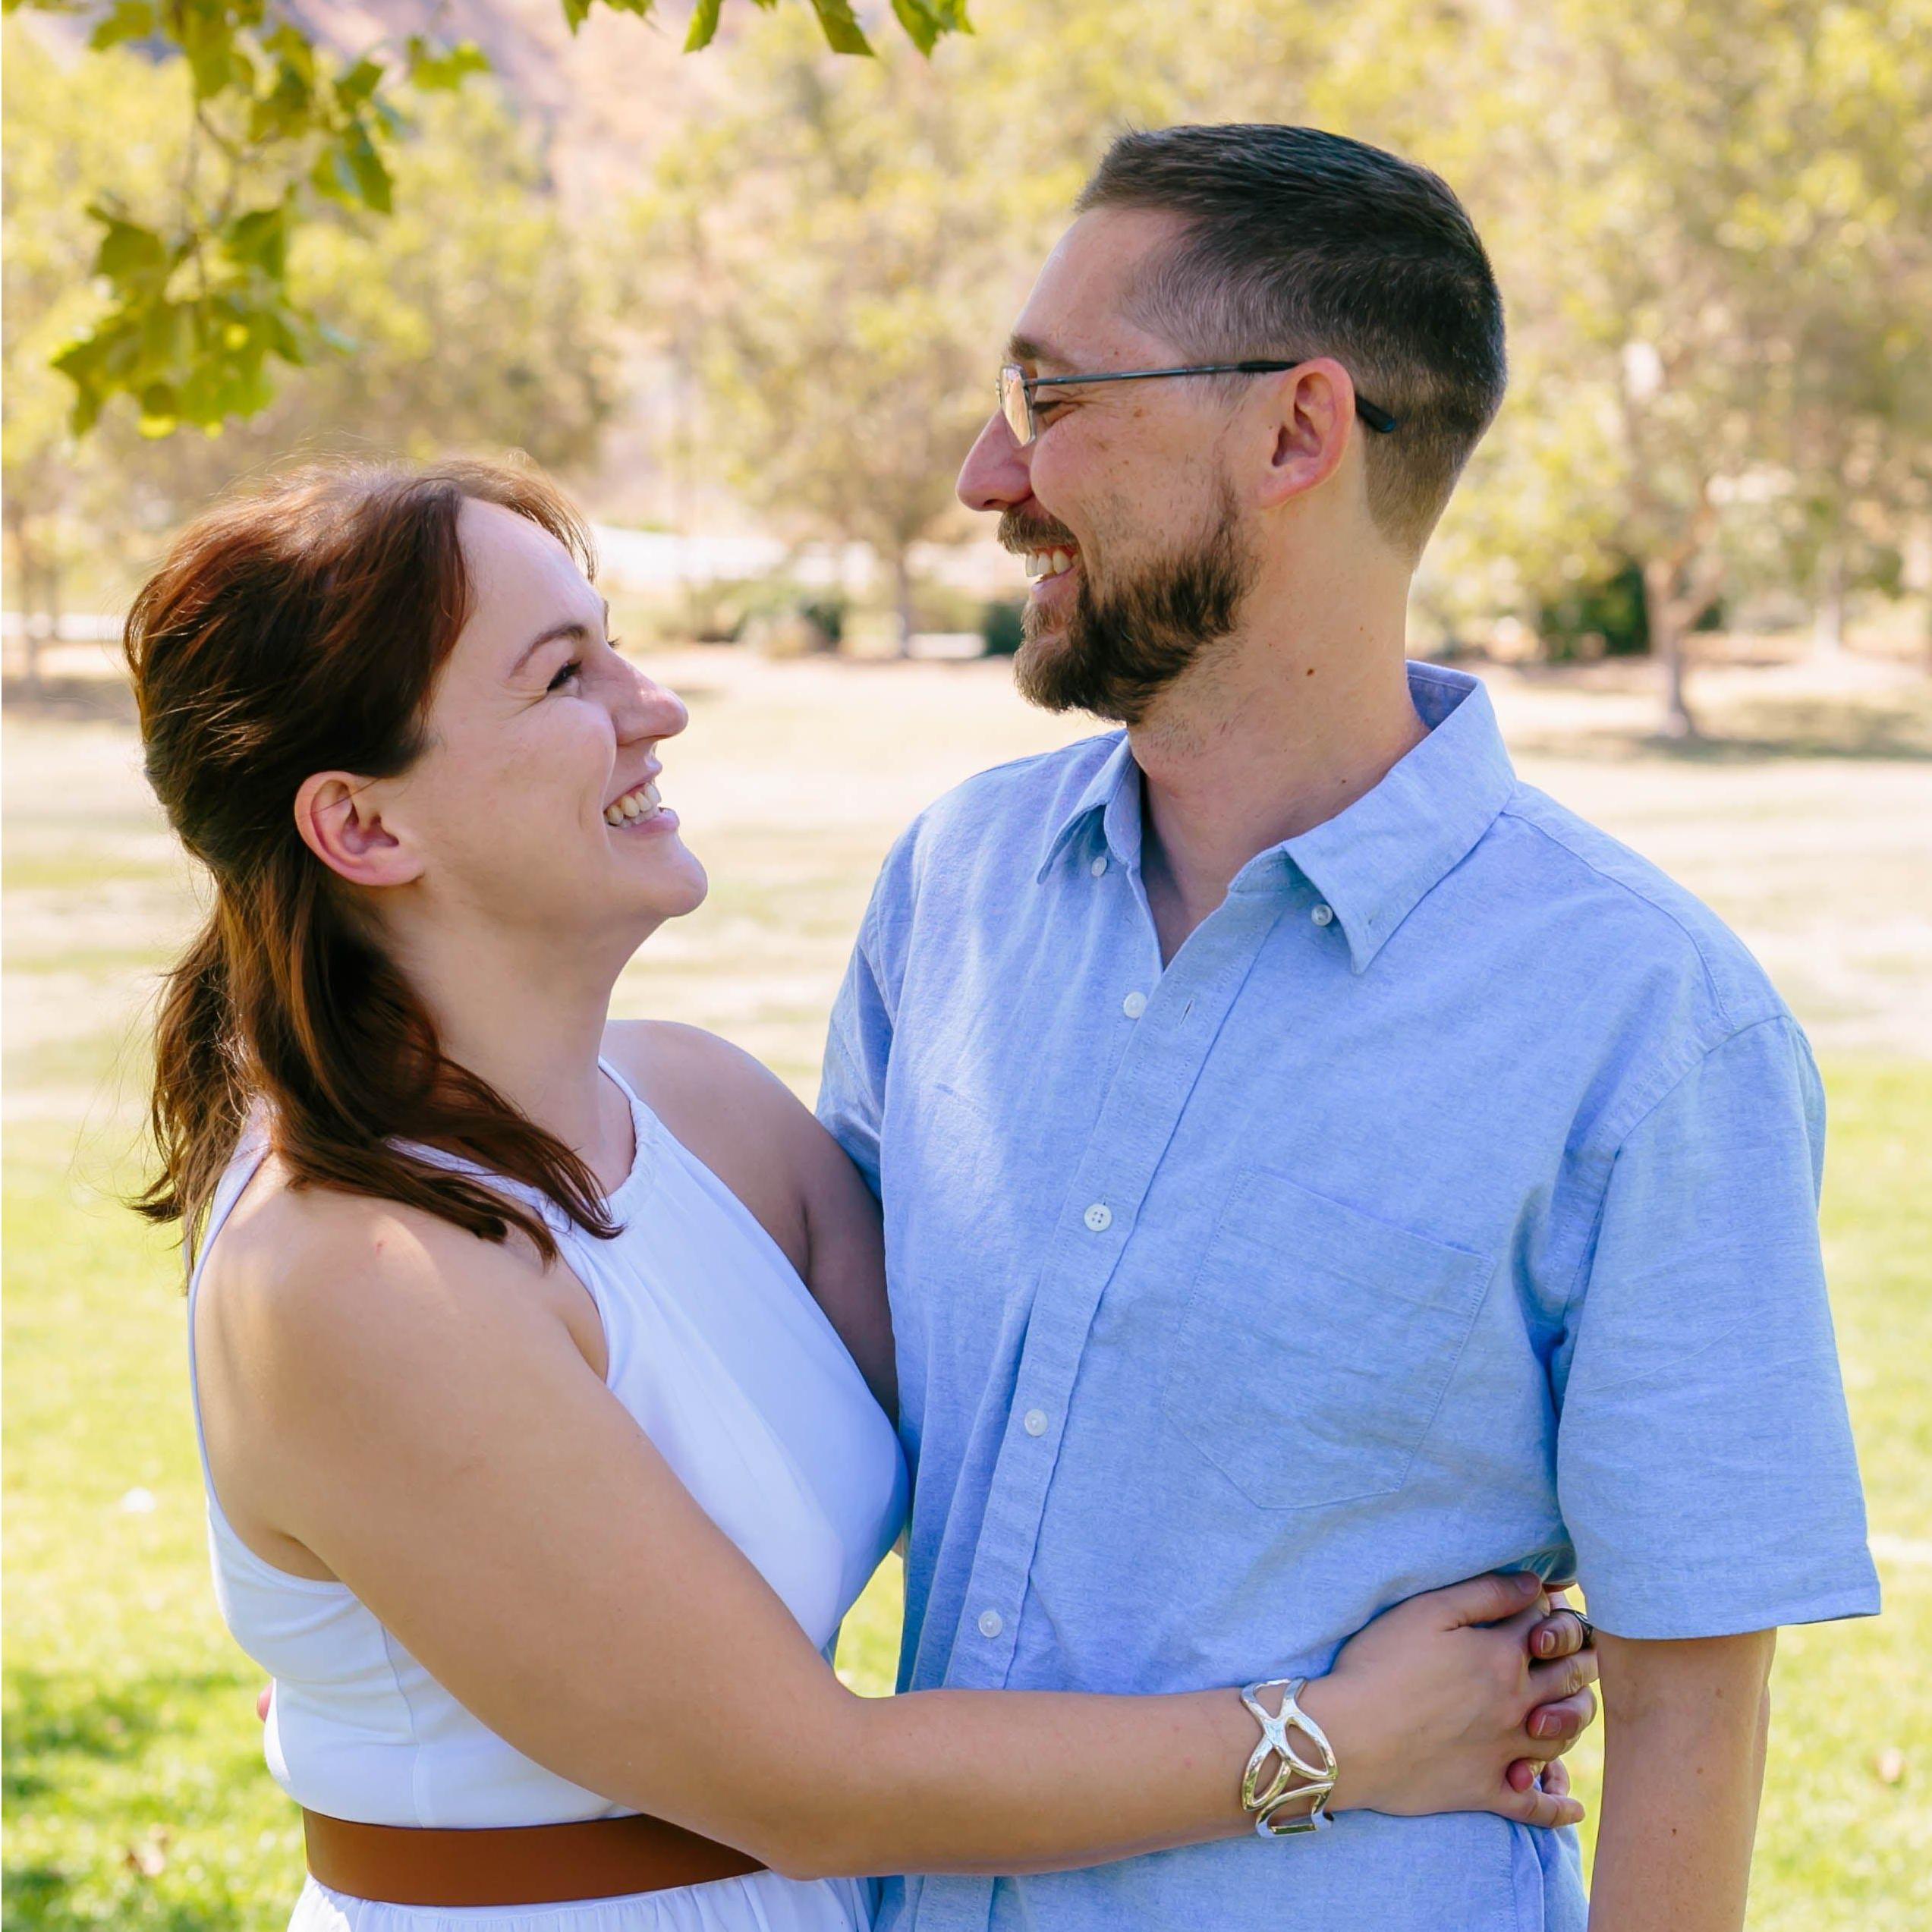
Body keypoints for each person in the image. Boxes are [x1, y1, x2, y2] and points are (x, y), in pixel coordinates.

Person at [134, 456, 1600, 1932]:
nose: (655, 705)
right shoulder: (352, 1273)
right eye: (565, 674)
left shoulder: (701, 1114)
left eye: (615, 642)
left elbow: (1048, 1388)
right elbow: (810, 1784)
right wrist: (1344, 1739)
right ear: (367, 829)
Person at [817, 124, 1880, 1932]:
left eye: (1051, 393)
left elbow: (1695, 1697)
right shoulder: (955, 888)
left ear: (1298, 429)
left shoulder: (1646, 1021)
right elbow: (802, 1397)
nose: (990, 471)